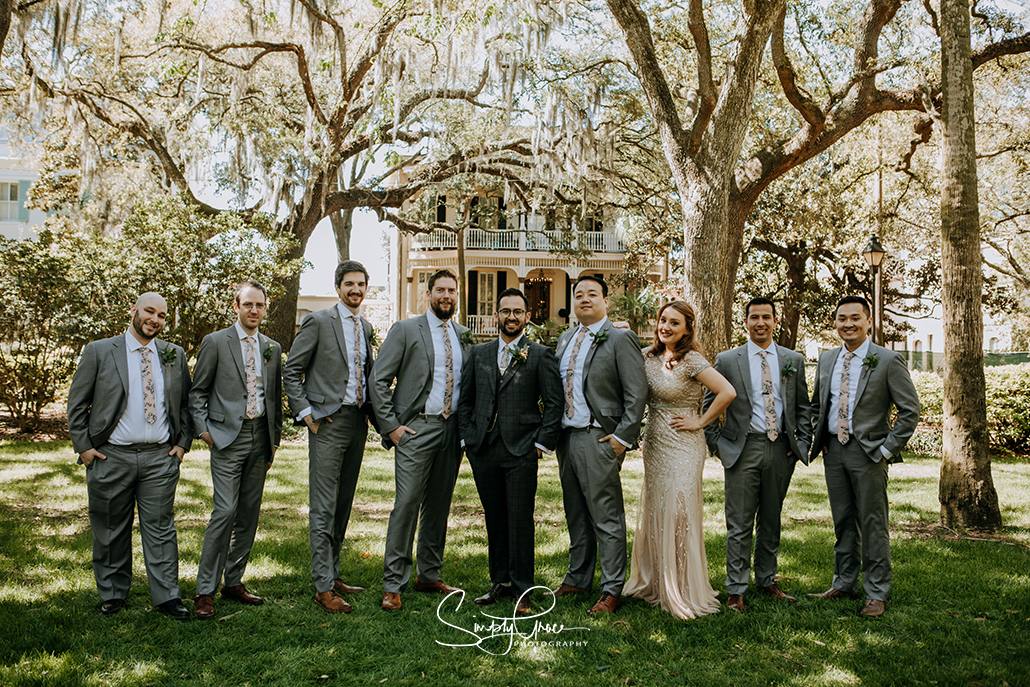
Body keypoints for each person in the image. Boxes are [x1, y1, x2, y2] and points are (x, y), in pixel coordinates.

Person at [67, 292, 193, 620]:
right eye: (149, 311)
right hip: (111, 457)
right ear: (134, 311)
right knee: (110, 528)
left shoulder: (173, 354)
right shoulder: (99, 351)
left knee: (161, 528)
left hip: (160, 458)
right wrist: (84, 448)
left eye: (162, 315)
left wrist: (181, 444)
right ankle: (113, 593)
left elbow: (185, 404)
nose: (155, 319)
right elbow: (77, 403)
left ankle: (167, 596)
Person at [808, 295, 920, 617]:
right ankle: (844, 582)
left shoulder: (887, 360)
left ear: (868, 321)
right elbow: (818, 405)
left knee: (872, 524)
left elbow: (910, 411)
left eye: (855, 318)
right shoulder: (827, 359)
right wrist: (820, 438)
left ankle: (876, 592)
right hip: (833, 451)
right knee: (843, 521)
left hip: (869, 453)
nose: (848, 324)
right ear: (837, 322)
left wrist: (886, 450)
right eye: (842, 318)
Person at [624, 301, 735, 619]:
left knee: (680, 511)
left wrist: (700, 422)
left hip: (684, 445)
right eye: (662, 320)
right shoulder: (647, 356)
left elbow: (727, 392)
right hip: (656, 443)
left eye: (675, 322)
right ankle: (656, 581)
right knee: (659, 509)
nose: (666, 327)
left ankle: (683, 587)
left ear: (688, 328)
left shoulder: (692, 360)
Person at [457, 288, 563, 614]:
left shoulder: (540, 354)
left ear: (527, 317)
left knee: (519, 521)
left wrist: (540, 444)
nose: (512, 317)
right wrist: (467, 440)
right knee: (495, 518)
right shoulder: (478, 354)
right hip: (484, 450)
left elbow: (554, 405)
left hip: (521, 451)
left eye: (518, 312)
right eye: (506, 311)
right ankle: (499, 582)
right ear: (496, 316)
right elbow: (466, 401)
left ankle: (522, 590)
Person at [703, 297, 811, 613]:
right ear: (746, 321)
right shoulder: (727, 360)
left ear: (775, 321)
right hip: (741, 447)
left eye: (766, 317)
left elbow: (802, 406)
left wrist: (800, 443)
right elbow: (709, 405)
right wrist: (718, 446)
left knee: (771, 518)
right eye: (754, 317)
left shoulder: (793, 359)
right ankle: (736, 589)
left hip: (781, 448)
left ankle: (766, 580)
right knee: (738, 521)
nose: (760, 322)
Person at [370, 269, 470, 611]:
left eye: (451, 290)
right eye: (440, 289)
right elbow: (379, 380)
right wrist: (392, 427)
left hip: (452, 430)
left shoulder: (463, 334)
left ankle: (429, 574)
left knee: (439, 506)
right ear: (428, 294)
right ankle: (393, 583)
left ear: (457, 295)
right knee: (407, 504)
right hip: (416, 429)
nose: (446, 295)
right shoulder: (405, 329)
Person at [283, 261, 376, 614]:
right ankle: (323, 586)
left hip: (357, 422)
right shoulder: (319, 322)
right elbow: (293, 370)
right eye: (349, 283)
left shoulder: (365, 327)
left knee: (343, 502)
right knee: (323, 506)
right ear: (337, 287)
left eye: (361, 284)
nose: (355, 289)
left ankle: (334, 571)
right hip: (328, 422)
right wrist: (307, 414)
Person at [552, 275, 647, 616]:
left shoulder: (620, 338)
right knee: (575, 512)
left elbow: (637, 393)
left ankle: (611, 588)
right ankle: (578, 576)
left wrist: (622, 438)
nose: (585, 299)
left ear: (606, 301)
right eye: (579, 295)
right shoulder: (565, 339)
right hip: (567, 438)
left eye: (593, 294)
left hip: (599, 438)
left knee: (606, 515)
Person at [189, 281, 283, 620]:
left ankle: (234, 581)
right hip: (227, 437)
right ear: (236, 306)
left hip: (261, 437)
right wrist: (204, 431)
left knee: (248, 513)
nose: (254, 311)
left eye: (260, 305)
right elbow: (197, 392)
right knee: (224, 511)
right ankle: (204, 591)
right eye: (248, 305)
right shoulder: (215, 342)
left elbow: (274, 396)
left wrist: (274, 440)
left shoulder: (272, 347)